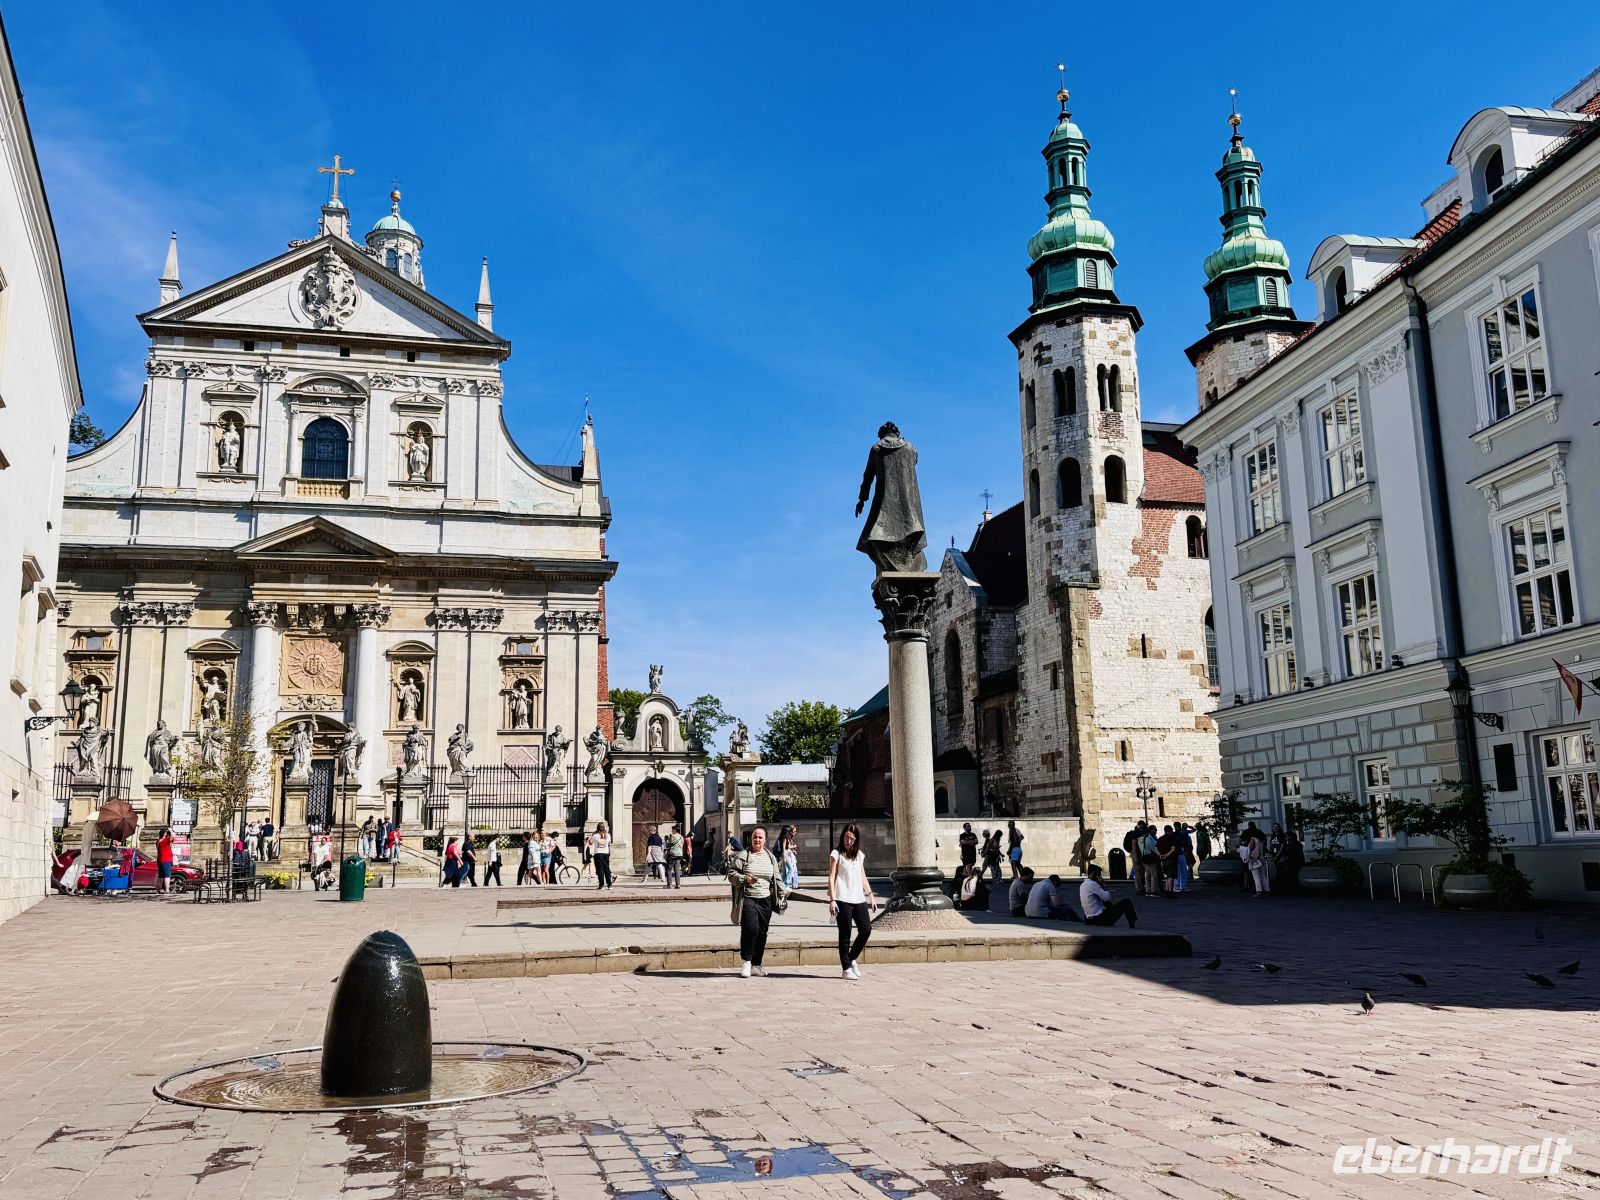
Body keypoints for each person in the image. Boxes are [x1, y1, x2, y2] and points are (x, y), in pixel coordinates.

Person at [729, 827, 787, 978]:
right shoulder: (744, 855)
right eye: (755, 837)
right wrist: (744, 879)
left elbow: (777, 876)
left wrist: (783, 894)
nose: (757, 840)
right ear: (751, 839)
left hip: (766, 899)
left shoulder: (770, 857)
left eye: (760, 837)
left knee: (762, 932)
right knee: (750, 928)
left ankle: (757, 964)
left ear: (765, 840)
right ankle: (747, 962)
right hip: (749, 897)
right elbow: (731, 873)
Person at [827, 823, 876, 980]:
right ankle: (846, 968)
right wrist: (832, 900)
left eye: (852, 838)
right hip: (842, 898)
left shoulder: (859, 855)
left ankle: (851, 958)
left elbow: (862, 876)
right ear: (842, 837)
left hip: (858, 898)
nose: (848, 841)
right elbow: (831, 876)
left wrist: (871, 896)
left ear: (856, 840)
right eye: (846, 837)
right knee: (845, 933)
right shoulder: (836, 854)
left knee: (866, 929)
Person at [1240, 823, 1269, 897]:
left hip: (1254, 859)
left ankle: (1259, 892)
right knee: (1263, 875)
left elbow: (1250, 850)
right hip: (1260, 858)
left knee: (1256, 876)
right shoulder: (1260, 840)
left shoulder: (1253, 840)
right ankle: (1267, 890)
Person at [1275, 829, 1305, 895]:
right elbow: (1286, 854)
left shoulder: (1297, 844)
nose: (1285, 837)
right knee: (1280, 869)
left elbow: (1293, 855)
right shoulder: (1288, 845)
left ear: (1291, 837)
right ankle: (1283, 888)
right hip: (1290, 862)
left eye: (1287, 836)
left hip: (1295, 863)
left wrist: (1285, 860)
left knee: (1284, 870)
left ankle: (1287, 889)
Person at [1138, 823, 1161, 898]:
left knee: (1147, 875)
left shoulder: (1140, 839)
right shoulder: (1148, 839)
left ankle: (1147, 890)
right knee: (1154, 875)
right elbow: (1153, 848)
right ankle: (1153, 891)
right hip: (1151, 858)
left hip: (1144, 858)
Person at [588, 822, 613, 890]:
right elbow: (608, 843)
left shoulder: (595, 835)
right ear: (604, 827)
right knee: (606, 869)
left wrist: (592, 835)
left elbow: (590, 842)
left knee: (600, 870)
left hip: (598, 853)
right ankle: (609, 885)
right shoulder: (608, 835)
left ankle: (601, 885)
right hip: (606, 853)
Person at [1156, 824, 1179, 897]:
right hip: (1171, 859)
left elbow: (1155, 849)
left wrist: (1160, 855)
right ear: (1170, 830)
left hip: (1163, 859)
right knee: (1171, 876)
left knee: (1167, 876)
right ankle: (1170, 891)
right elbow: (1173, 849)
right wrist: (1167, 855)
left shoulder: (1160, 838)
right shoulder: (1172, 838)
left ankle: (1167, 890)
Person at [665, 823, 685, 889]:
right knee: (677, 870)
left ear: (675, 830)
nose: (672, 831)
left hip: (673, 854)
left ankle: (669, 884)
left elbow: (668, 845)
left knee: (669, 869)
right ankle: (678, 884)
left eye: (672, 830)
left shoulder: (673, 836)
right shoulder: (681, 837)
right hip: (679, 854)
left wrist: (667, 841)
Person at [155, 827, 174, 895]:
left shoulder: (158, 841)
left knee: (160, 876)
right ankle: (167, 890)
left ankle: (158, 890)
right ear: (164, 834)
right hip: (166, 860)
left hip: (160, 860)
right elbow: (174, 837)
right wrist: (171, 830)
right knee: (167, 876)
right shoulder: (164, 840)